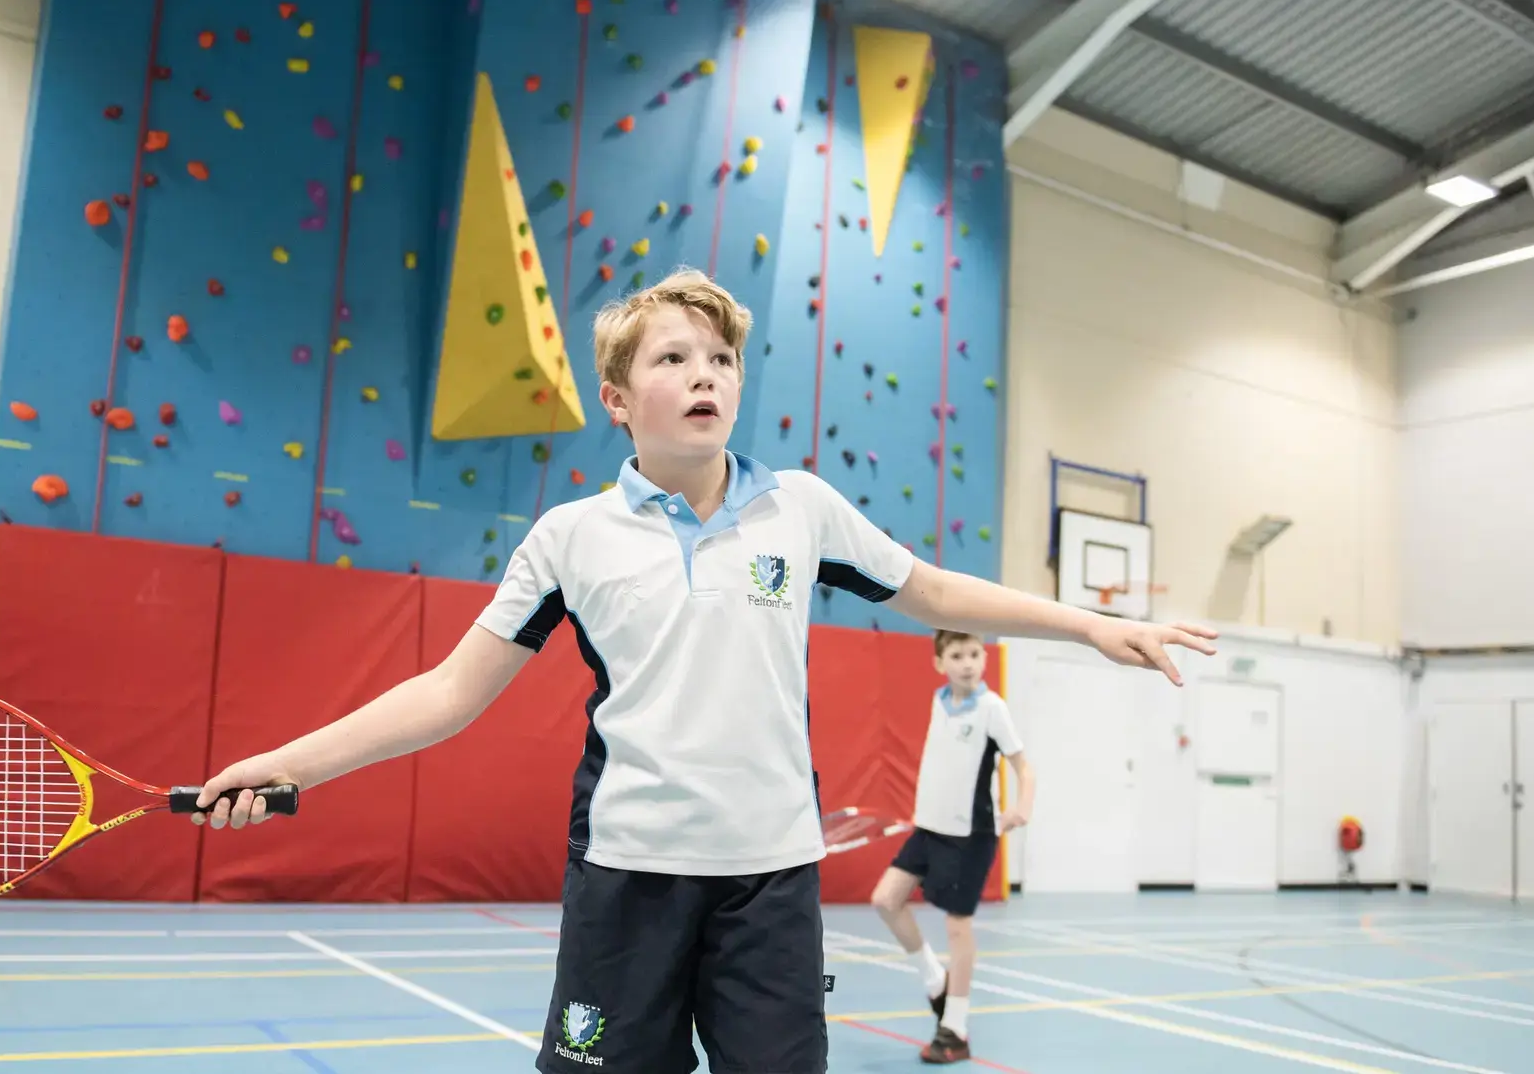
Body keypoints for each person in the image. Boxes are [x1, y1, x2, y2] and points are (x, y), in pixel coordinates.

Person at [192, 268, 1217, 1073]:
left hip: (768, 882)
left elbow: (936, 592)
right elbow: (448, 692)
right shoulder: (569, 537)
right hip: (627, 876)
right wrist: (288, 764)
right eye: (674, 357)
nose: (705, 374)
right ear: (615, 398)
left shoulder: (801, 509)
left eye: (722, 357)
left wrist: (1086, 625)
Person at [871, 629, 1032, 1064]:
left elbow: (1022, 765)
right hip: (930, 829)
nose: (967, 663)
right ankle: (934, 981)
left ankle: (955, 1029)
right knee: (886, 899)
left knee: (958, 926)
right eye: (957, 655)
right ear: (939, 663)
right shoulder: (938, 701)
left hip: (970, 835)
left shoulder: (991, 708)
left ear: (984, 658)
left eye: (975, 654)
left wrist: (1022, 805)